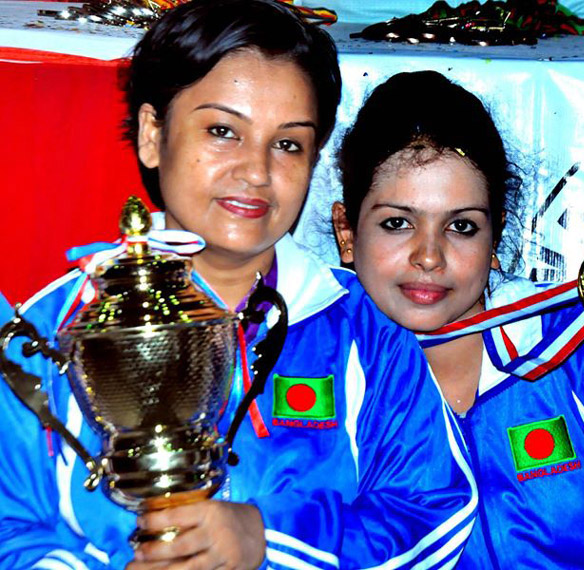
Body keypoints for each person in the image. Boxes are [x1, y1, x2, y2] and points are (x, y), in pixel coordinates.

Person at [0, 5, 476, 569]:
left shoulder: (362, 331)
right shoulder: (54, 329)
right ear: (153, 134)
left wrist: (267, 539)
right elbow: (10, 527)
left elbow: (434, 514)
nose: (256, 171)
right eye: (223, 131)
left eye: (288, 144)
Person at [332, 70, 584, 568]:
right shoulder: (306, 374)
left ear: (495, 239)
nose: (429, 256)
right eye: (397, 223)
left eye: (462, 226)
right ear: (347, 232)